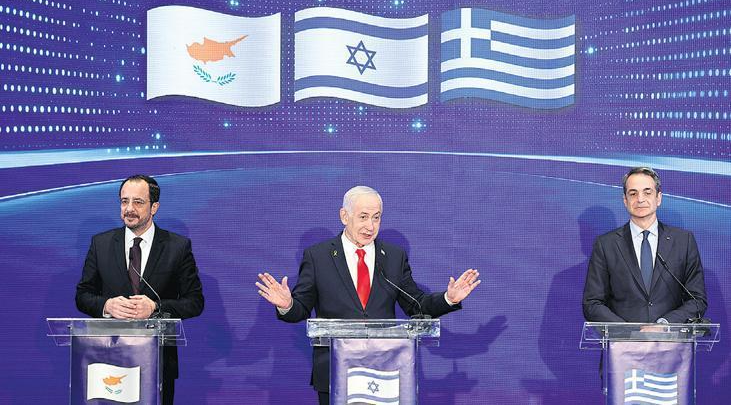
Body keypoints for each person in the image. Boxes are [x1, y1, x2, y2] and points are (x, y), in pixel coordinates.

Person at [256, 186, 480, 404]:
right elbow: (301, 309)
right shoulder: (318, 256)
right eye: (363, 217)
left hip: (386, 371)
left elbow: (417, 304)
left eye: (376, 217)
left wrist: (449, 299)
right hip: (336, 372)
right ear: (344, 216)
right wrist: (287, 304)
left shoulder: (393, 257)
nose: (370, 226)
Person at [76, 175, 204, 405]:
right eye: (124, 201)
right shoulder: (101, 244)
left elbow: (195, 302)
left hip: (156, 361)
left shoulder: (177, 247)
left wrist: (155, 307)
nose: (129, 209)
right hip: (107, 359)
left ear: (154, 207)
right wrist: (107, 306)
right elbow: (83, 295)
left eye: (138, 202)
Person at [582, 167, 707, 324]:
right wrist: (628, 331)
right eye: (633, 193)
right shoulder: (606, 244)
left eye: (647, 192)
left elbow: (697, 300)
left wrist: (664, 324)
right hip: (623, 339)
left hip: (671, 337)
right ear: (625, 200)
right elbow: (592, 304)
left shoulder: (683, 241)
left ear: (658, 198)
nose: (640, 199)